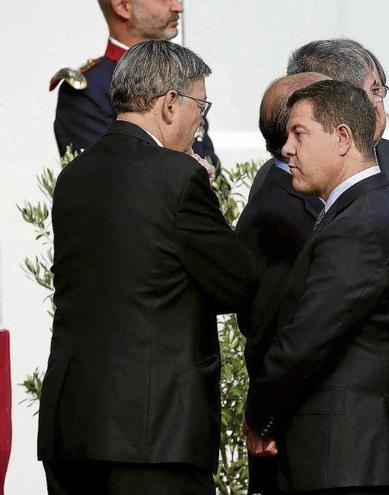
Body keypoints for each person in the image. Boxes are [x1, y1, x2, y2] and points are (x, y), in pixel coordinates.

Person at [37, 40, 256, 494]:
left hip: (70, 430)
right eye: (201, 105)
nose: (201, 120)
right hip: (153, 435)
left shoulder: (72, 179)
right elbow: (239, 282)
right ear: (171, 104)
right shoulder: (178, 177)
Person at [248, 39, 389, 493]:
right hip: (349, 444)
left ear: (341, 133)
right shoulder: (363, 204)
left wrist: (261, 414)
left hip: (353, 453)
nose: (286, 150)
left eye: (299, 134)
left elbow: (309, 333)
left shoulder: (360, 219)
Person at [235, 72, 328, 495]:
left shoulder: (309, 192)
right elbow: (267, 325)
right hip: (290, 428)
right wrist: (266, 415)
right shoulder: (277, 207)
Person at [51, 0, 218, 164]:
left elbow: (214, 171)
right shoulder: (89, 91)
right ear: (122, 6)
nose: (178, 7)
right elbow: (107, 178)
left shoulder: (184, 78)